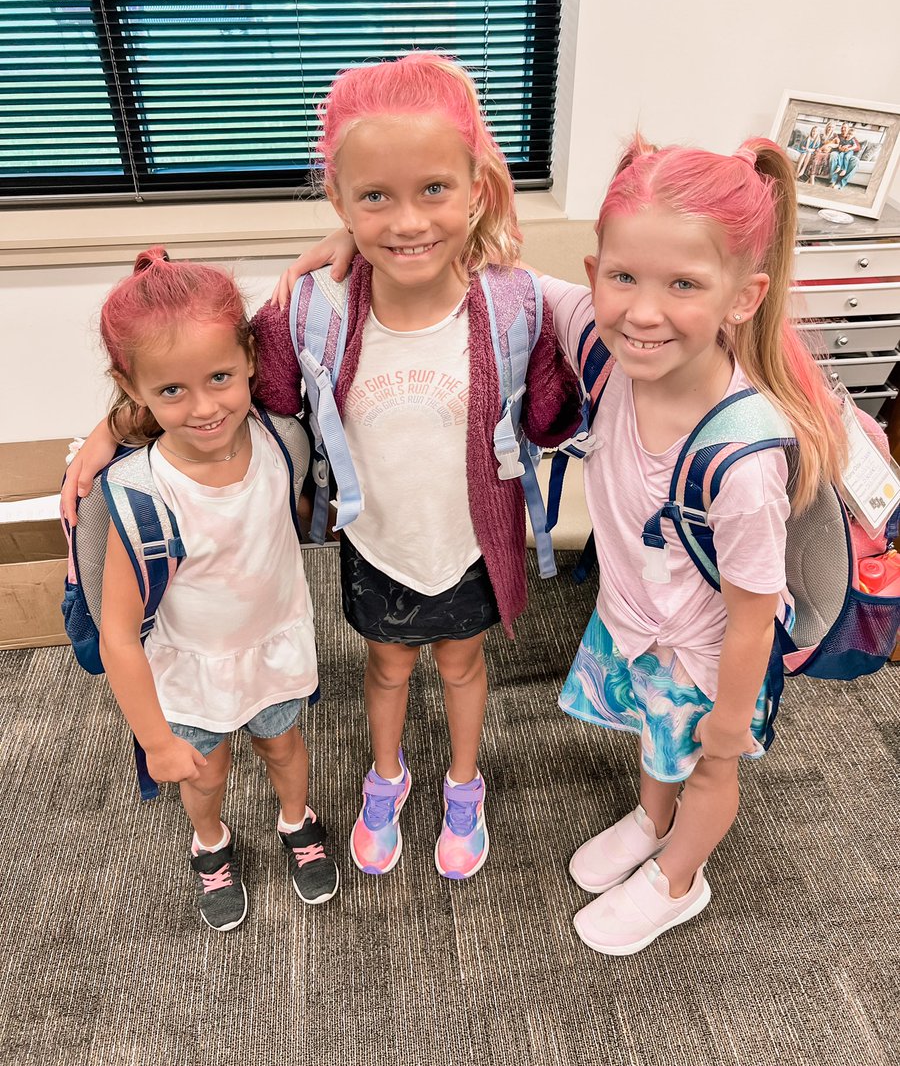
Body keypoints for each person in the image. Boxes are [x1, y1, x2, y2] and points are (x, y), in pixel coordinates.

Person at [255, 52, 581, 881]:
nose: (407, 222)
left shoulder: (514, 302)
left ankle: (463, 785)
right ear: (338, 200)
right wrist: (115, 436)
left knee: (466, 663)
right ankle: (387, 777)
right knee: (387, 665)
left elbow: (555, 404)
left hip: (471, 544)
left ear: (476, 185)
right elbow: (230, 388)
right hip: (378, 542)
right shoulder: (312, 307)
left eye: (433, 189)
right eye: (375, 198)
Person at [540, 136, 848, 955]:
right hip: (635, 620)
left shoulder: (741, 463)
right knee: (652, 737)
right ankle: (651, 816)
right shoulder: (603, 347)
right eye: (623, 277)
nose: (642, 310)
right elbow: (491, 264)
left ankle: (680, 877)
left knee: (708, 765)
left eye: (683, 285)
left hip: (710, 658)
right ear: (594, 269)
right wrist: (353, 245)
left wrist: (729, 720)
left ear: (742, 298)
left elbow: (752, 619)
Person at [78, 248, 339, 931]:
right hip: (189, 669)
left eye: (220, 376)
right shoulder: (136, 494)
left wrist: (338, 240)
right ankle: (211, 844)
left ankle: (295, 821)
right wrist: (154, 739)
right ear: (131, 388)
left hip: (275, 645)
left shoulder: (282, 438)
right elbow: (117, 634)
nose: (204, 408)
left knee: (283, 746)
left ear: (251, 358)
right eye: (171, 391)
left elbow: (319, 306)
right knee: (204, 773)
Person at [829, 122, 862, 189]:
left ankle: (840, 184)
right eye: (842, 127)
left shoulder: (852, 137)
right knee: (833, 154)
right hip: (838, 152)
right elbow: (833, 144)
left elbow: (858, 147)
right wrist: (839, 147)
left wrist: (848, 147)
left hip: (848, 153)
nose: (843, 129)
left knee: (856, 161)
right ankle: (833, 181)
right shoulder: (838, 136)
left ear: (848, 129)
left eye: (845, 127)